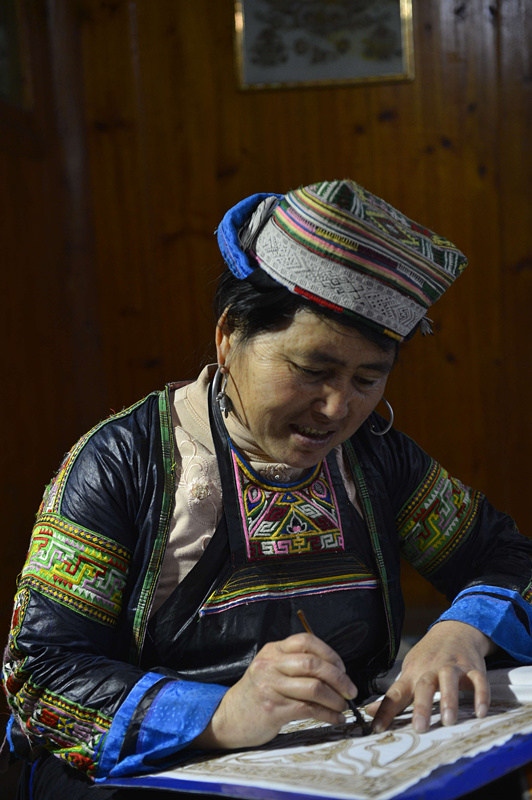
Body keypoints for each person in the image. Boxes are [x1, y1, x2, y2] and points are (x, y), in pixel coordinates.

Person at [3, 179, 532, 799]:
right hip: (162, 773)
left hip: (326, 764)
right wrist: (223, 714)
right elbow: (40, 672)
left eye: (368, 378)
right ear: (229, 338)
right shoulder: (123, 461)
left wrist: (460, 631)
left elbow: (509, 559)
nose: (337, 408)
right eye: (312, 370)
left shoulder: (378, 458)